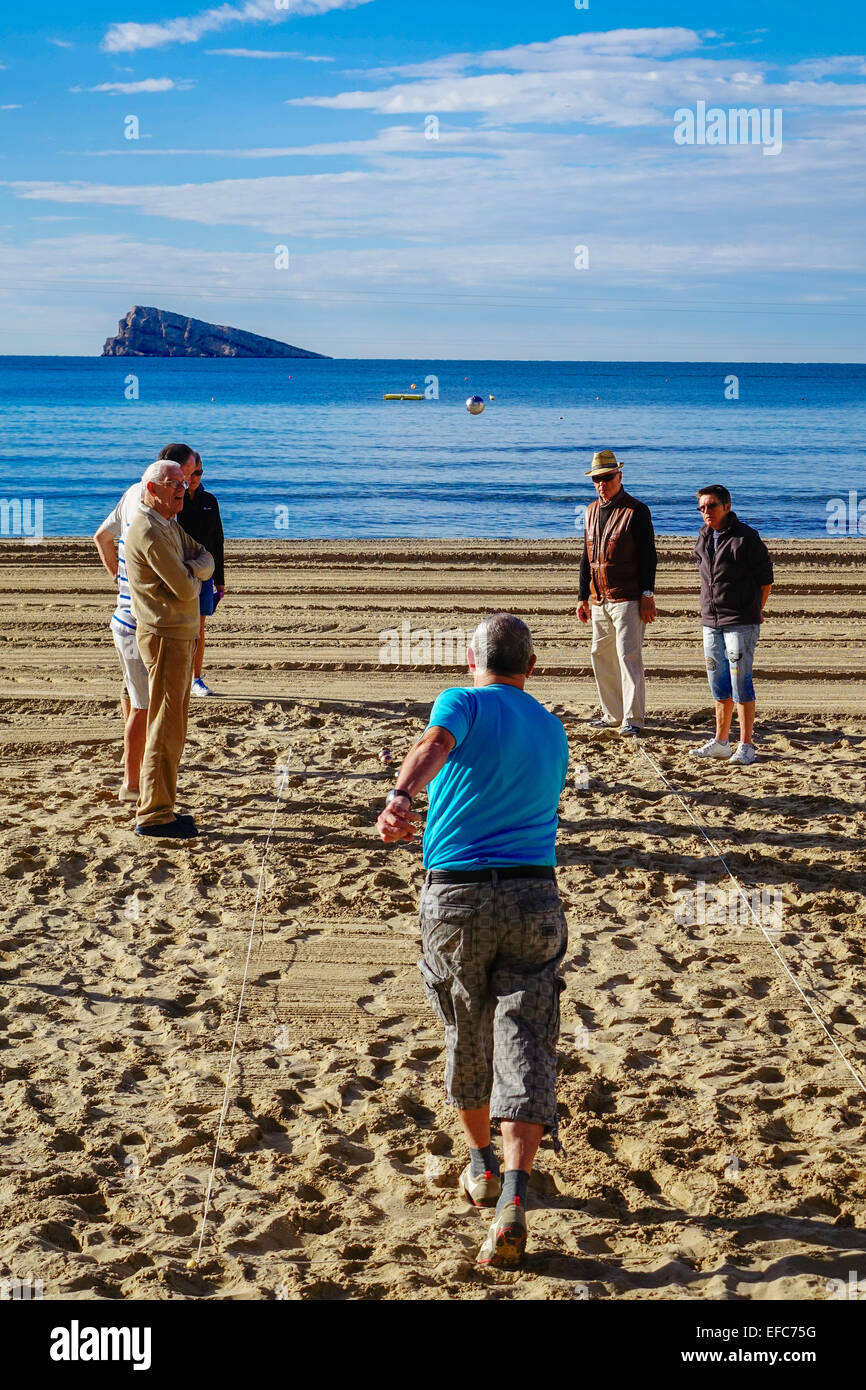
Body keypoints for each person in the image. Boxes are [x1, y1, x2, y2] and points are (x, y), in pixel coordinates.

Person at [375, 613, 569, 1269]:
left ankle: (482, 1165)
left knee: (466, 1021)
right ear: (531, 668)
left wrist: (402, 796)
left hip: (457, 894)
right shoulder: (551, 724)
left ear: (470, 658)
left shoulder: (462, 701)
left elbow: (435, 742)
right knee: (526, 1033)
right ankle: (512, 1197)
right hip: (535, 895)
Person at [93, 443, 197, 801]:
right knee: (145, 707)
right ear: (162, 480)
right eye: (188, 477)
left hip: (126, 617)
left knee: (135, 700)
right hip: (140, 624)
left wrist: (122, 583)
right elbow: (183, 581)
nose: (191, 485)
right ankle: (132, 783)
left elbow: (101, 537)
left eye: (191, 479)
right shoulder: (152, 513)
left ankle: (134, 773)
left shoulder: (135, 494)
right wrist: (133, 589)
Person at [124, 461, 214, 838]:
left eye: (184, 481)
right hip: (165, 636)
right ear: (152, 488)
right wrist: (194, 573)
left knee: (174, 723)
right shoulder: (149, 529)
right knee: (164, 725)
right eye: (173, 483)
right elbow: (184, 586)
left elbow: (206, 556)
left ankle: (164, 806)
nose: (183, 488)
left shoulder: (168, 522)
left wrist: (194, 568)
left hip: (179, 633)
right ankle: (154, 815)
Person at [575, 450, 657, 736]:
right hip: (599, 597)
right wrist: (582, 597)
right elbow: (587, 556)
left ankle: (633, 719)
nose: (602, 483)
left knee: (628, 657)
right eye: (597, 479)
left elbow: (649, 557)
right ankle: (612, 714)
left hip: (628, 597)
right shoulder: (590, 511)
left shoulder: (636, 510)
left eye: (607, 477)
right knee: (601, 654)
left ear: (619, 476)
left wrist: (648, 594)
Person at [691, 484, 774, 766]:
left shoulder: (746, 537)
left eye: (711, 506)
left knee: (742, 682)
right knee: (718, 683)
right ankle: (721, 741)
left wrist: (755, 611)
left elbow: (766, 579)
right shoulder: (703, 536)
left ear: (726, 506)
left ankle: (746, 744)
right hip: (710, 621)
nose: (706, 512)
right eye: (701, 507)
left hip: (740, 622)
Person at [180, 451, 226, 697]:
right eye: (191, 473)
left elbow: (217, 540)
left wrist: (220, 580)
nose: (195, 478)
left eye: (199, 473)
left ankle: (196, 679)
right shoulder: (174, 500)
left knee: (198, 626)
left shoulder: (209, 500)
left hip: (205, 573)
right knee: (176, 626)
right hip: (179, 571)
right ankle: (177, 677)